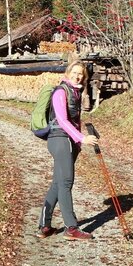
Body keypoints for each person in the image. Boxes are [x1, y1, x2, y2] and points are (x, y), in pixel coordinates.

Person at [36, 61, 99, 240]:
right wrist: (81, 138)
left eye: (81, 74)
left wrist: (77, 143)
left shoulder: (75, 92)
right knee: (66, 183)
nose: (77, 76)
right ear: (68, 72)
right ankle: (71, 228)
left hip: (67, 141)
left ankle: (44, 226)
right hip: (60, 140)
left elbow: (75, 120)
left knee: (58, 183)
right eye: (75, 72)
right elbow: (63, 121)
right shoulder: (61, 92)